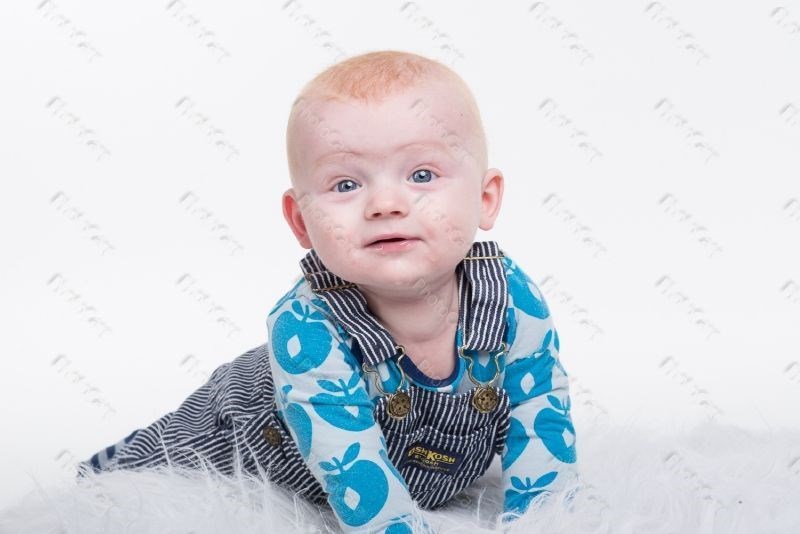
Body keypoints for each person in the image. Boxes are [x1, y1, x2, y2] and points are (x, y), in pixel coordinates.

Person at [78, 50, 580, 533]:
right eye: (345, 185)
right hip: (235, 434)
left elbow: (541, 416)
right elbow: (361, 484)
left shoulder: (511, 301)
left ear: (485, 199)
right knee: (115, 490)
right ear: (301, 222)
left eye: (422, 175)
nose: (385, 203)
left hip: (420, 467)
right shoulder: (307, 327)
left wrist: (546, 519)